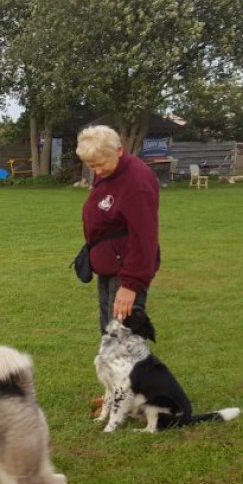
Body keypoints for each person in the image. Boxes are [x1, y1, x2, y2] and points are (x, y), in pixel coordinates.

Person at [76, 125, 160, 334]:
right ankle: (112, 368)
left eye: (101, 164)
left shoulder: (137, 183)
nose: (97, 171)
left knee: (123, 337)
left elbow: (144, 239)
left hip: (126, 268)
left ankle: (131, 369)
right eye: (91, 165)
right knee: (109, 331)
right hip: (109, 263)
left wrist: (131, 285)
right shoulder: (108, 173)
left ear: (119, 151)